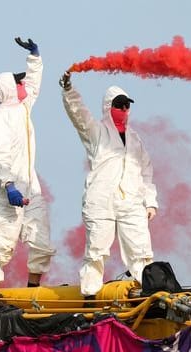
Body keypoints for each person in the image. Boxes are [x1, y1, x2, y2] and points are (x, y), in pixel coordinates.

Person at [59, 71, 158, 298]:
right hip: (101, 199)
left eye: (126, 106)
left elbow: (146, 172)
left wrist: (150, 202)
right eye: (118, 105)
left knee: (141, 249)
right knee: (96, 250)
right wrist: (68, 90)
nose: (123, 109)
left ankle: (144, 294)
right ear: (108, 106)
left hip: (131, 200)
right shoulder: (97, 132)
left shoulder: (135, 139)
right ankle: (90, 297)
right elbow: (79, 116)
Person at [0, 36, 55, 299]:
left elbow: (33, 86)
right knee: (2, 240)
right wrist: (9, 185)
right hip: (5, 190)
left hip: (28, 185)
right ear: (9, 89)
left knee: (41, 238)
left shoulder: (22, 109)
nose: (23, 84)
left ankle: (33, 290)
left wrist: (34, 58)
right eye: (18, 81)